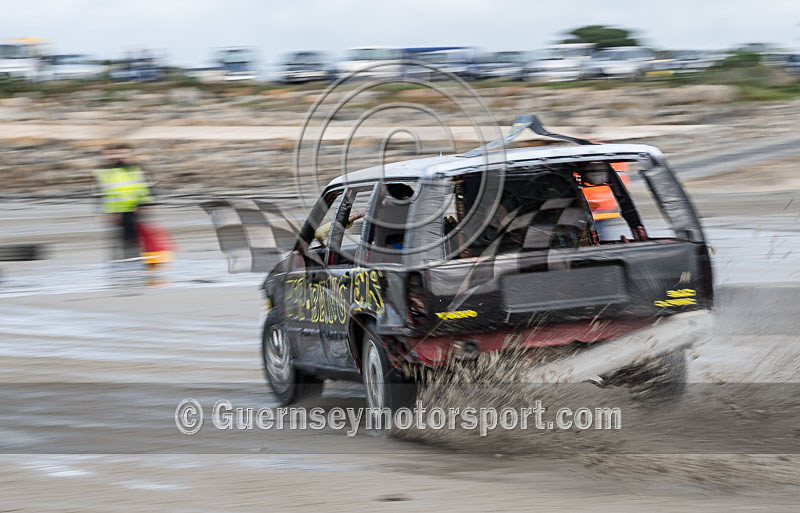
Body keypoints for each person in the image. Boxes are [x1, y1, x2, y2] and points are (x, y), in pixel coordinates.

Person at [92, 144, 153, 262]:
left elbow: (146, 188)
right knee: (117, 242)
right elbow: (97, 193)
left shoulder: (137, 168)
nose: (119, 156)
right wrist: (100, 212)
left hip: (134, 210)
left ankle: (134, 264)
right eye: (114, 153)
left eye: (123, 153)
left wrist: (145, 206)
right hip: (114, 212)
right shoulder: (101, 171)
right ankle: (119, 267)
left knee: (134, 240)